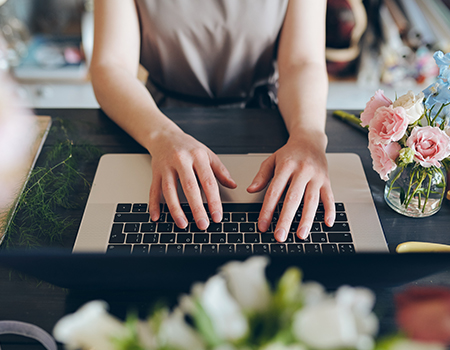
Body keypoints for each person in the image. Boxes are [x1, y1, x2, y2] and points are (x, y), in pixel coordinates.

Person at [90, 0, 335, 243]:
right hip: (154, 122)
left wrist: (307, 136)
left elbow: (302, 63)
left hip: (267, 124)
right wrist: (161, 136)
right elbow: (111, 65)